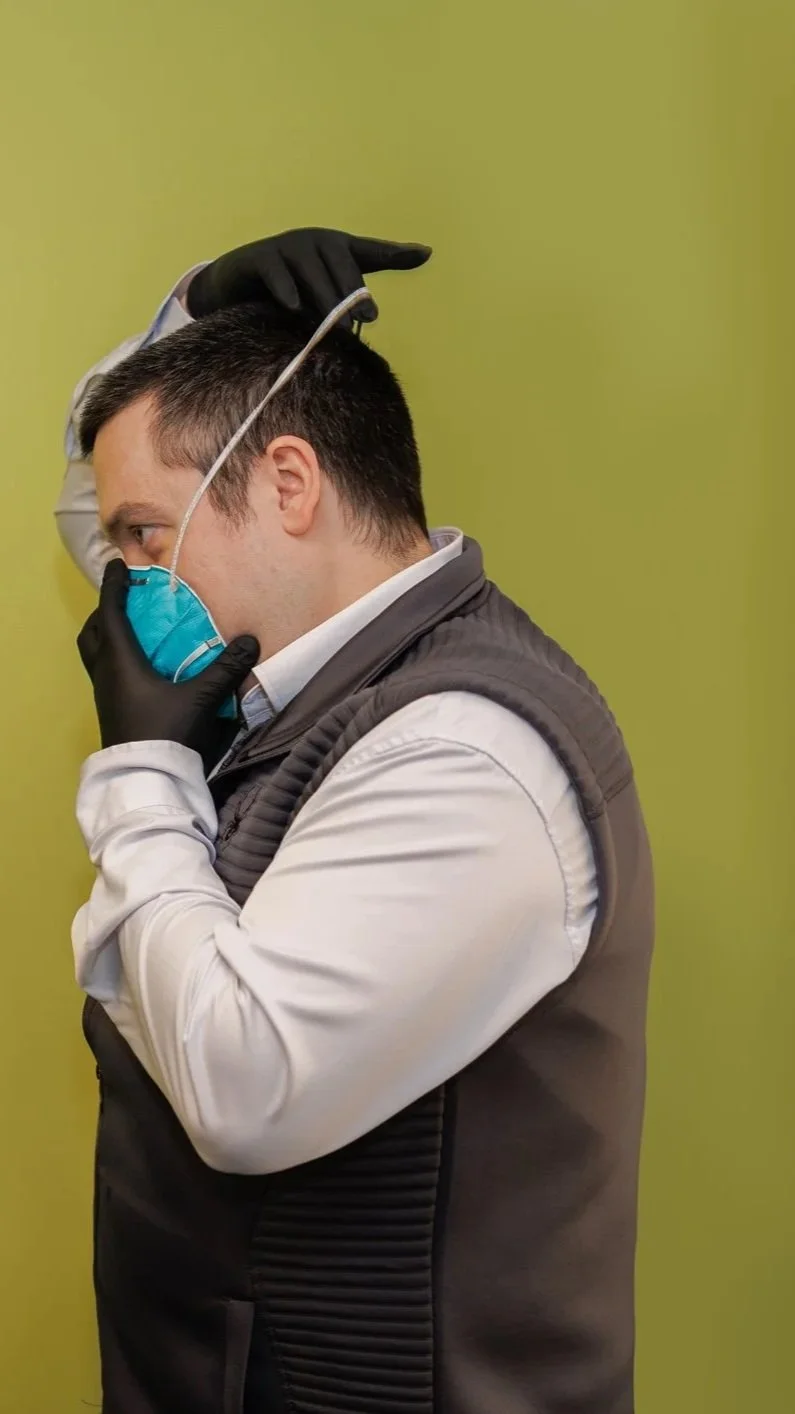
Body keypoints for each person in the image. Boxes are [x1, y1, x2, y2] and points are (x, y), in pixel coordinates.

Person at [58, 227, 654, 1414]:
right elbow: (96, 492)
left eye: (145, 539)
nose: (122, 576)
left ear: (288, 483)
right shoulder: (275, 650)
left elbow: (244, 1087)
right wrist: (189, 309)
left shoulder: (468, 751)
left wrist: (141, 767)